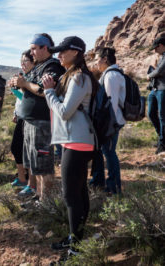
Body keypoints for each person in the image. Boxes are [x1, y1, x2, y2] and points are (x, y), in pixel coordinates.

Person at [42, 36, 97, 259]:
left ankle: (75, 250)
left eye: (63, 51)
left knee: (71, 196)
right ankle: (76, 239)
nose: (59, 55)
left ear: (75, 52)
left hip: (77, 140)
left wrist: (49, 92)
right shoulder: (75, 77)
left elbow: (65, 112)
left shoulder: (79, 78)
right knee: (80, 192)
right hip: (76, 140)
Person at [11, 33, 65, 201]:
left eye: (34, 48)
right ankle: (39, 196)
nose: (31, 52)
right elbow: (29, 86)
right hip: (30, 122)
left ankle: (47, 202)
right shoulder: (38, 67)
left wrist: (24, 84)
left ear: (45, 48)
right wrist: (19, 83)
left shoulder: (53, 67)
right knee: (35, 165)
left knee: (43, 165)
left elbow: (44, 91)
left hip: (42, 123)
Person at [94, 47, 125, 194]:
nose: (96, 63)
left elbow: (110, 104)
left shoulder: (111, 75)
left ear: (104, 59)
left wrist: (105, 124)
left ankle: (114, 187)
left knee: (110, 153)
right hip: (110, 121)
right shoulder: (111, 74)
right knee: (105, 151)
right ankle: (104, 183)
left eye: (97, 59)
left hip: (111, 122)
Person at [9, 49, 36, 190]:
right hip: (21, 116)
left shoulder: (32, 79)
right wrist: (15, 112)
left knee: (27, 151)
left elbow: (29, 99)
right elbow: (21, 100)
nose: (22, 64)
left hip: (30, 118)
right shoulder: (24, 77)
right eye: (21, 62)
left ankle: (31, 183)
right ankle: (22, 178)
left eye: (25, 61)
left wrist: (18, 90)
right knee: (16, 147)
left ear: (33, 61)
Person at [147, 36, 165, 154]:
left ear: (162, 45)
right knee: (151, 113)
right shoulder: (162, 56)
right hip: (155, 89)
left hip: (163, 89)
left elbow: (159, 71)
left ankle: (162, 143)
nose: (155, 50)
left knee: (163, 116)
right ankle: (161, 137)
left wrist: (149, 75)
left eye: (156, 47)